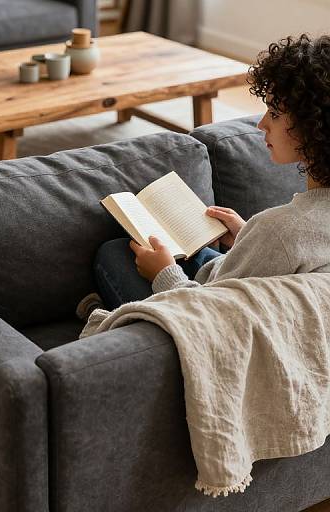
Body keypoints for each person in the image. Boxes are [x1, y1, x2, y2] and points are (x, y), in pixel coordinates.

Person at [77, 33, 330, 320]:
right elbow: (281, 263)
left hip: (205, 312)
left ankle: (112, 318)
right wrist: (247, 237)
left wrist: (163, 273)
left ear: (311, 127)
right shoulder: (281, 231)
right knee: (189, 255)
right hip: (238, 286)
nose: (261, 124)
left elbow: (209, 320)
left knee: (113, 255)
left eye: (273, 113)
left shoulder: (279, 230)